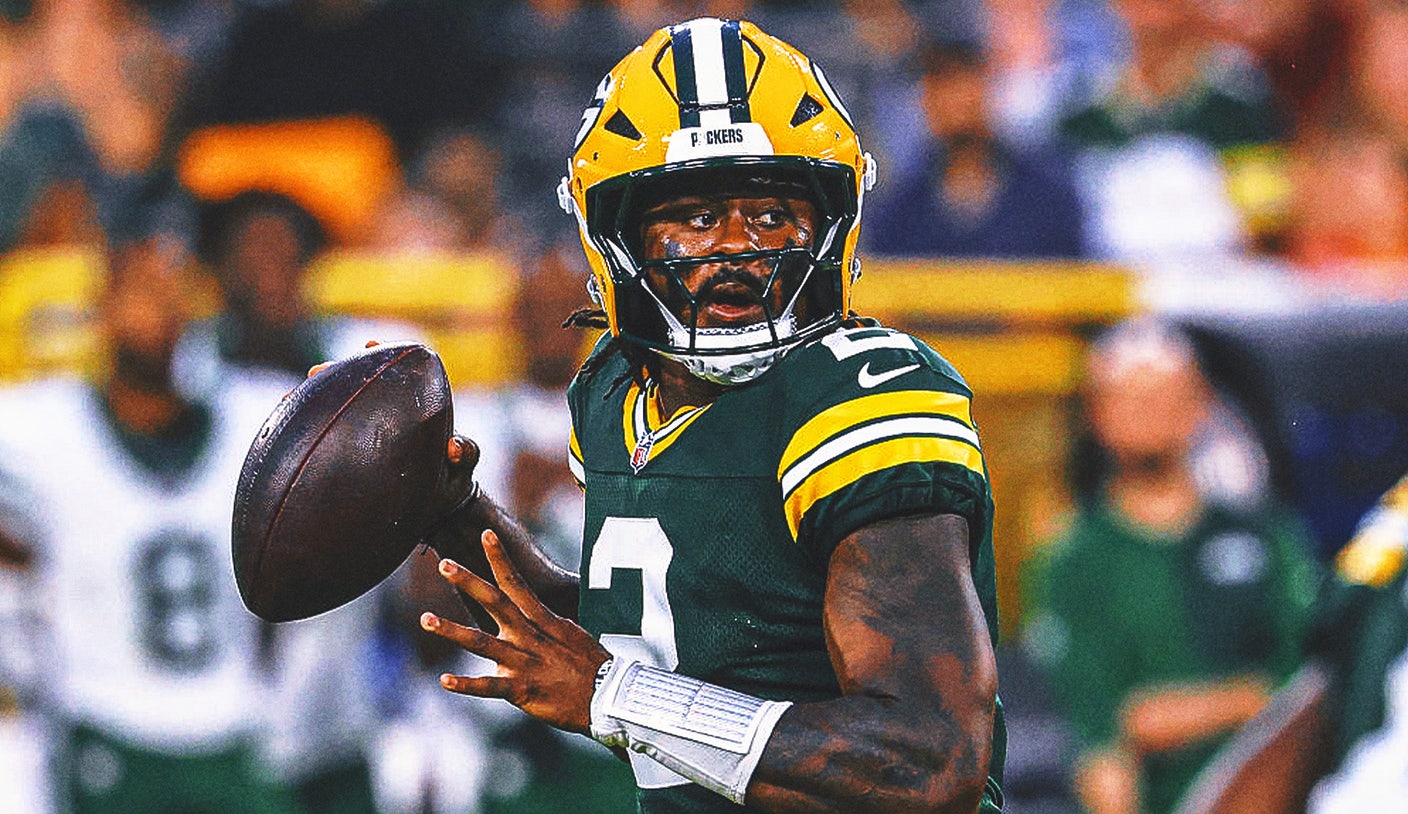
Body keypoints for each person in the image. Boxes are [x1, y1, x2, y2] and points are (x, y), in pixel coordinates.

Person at [407, 17, 1005, 813]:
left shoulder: (863, 396)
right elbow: (639, 639)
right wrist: (453, 513)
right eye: (695, 218)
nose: (735, 248)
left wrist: (617, 698)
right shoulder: (615, 389)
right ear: (617, 232)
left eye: (770, 215)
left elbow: (927, 760)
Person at [0, 192, 299, 813]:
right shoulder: (41, 425)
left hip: (232, 721)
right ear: (102, 309)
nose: (156, 309)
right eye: (139, 292)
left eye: (169, 291)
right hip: (104, 720)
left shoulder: (253, 414)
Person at [1020, 318, 1320, 814]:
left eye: (1163, 396)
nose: (1147, 413)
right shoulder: (1075, 559)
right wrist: (1243, 700)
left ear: (1200, 404)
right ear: (1097, 414)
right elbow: (1101, 736)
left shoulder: (1267, 538)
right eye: (1129, 398)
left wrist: (1165, 715)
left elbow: (1304, 690)